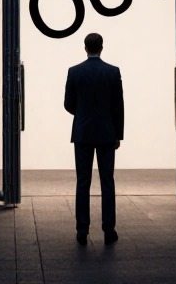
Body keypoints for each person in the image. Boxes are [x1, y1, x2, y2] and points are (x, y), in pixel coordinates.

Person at [63, 32, 124, 246]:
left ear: (85, 48)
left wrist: (83, 114)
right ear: (102, 47)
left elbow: (68, 104)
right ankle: (109, 230)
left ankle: (82, 230)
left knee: (83, 182)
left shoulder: (74, 72)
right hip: (107, 133)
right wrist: (118, 134)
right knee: (107, 182)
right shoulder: (113, 72)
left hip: (83, 133)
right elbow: (118, 107)